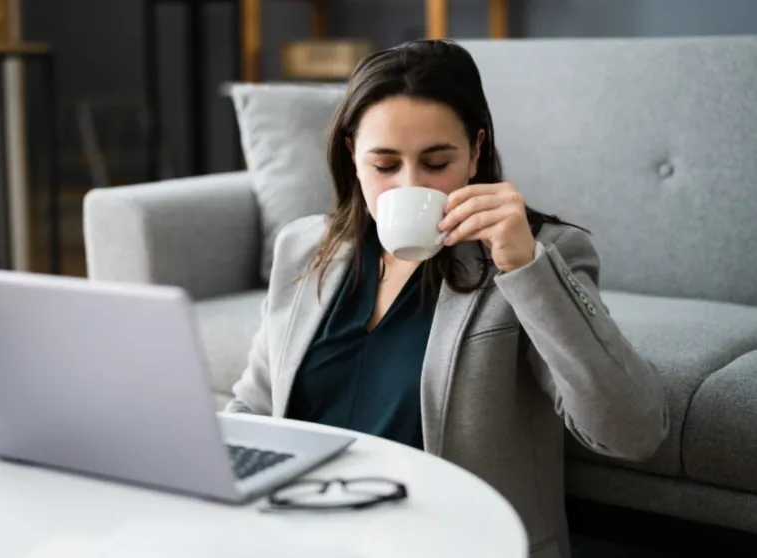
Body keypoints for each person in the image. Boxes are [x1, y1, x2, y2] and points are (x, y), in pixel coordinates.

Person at [224, 39, 669, 558]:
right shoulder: (304, 248)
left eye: (437, 162)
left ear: (476, 150)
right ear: (352, 154)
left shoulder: (541, 256)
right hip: (302, 537)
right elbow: (253, 408)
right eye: (384, 165)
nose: (409, 184)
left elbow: (633, 431)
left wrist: (526, 270)